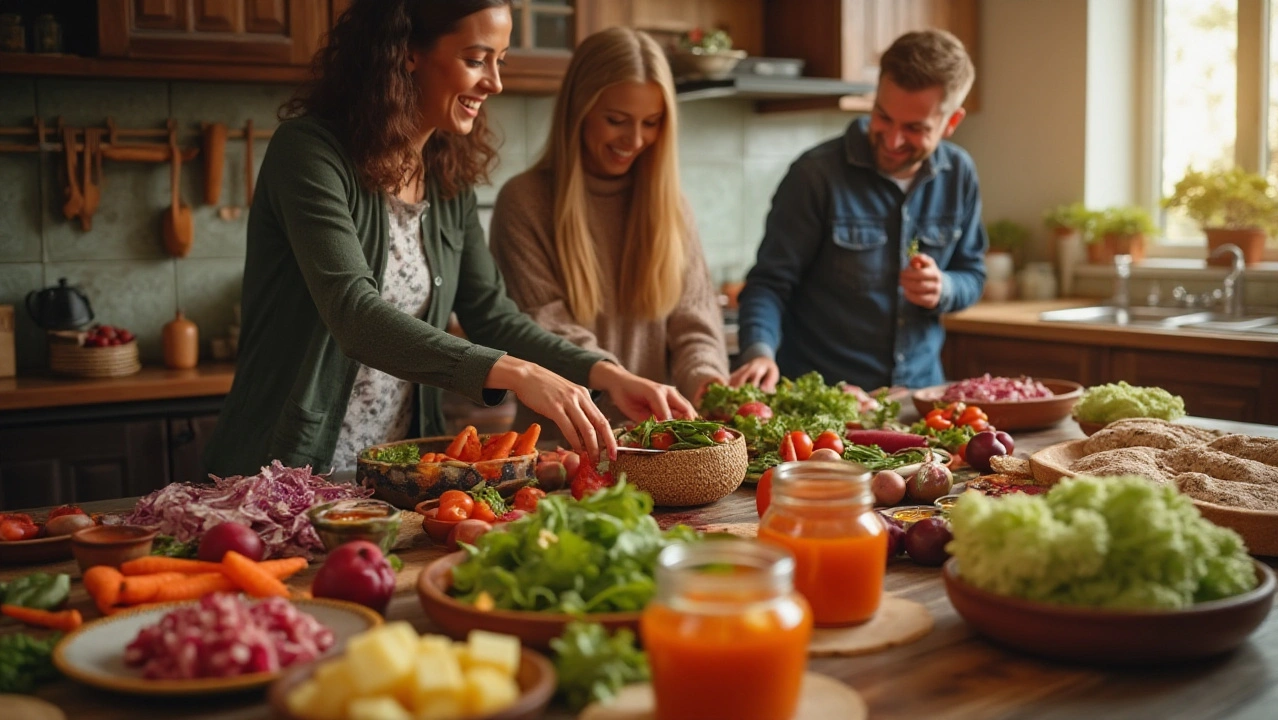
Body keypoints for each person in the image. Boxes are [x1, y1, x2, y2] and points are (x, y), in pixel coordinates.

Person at [204, 0, 692, 477]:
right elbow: (354, 315)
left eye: (500, 62)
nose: (495, 82)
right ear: (407, 51)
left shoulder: (445, 174)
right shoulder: (309, 154)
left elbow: (490, 313)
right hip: (282, 471)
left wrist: (606, 374)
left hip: (391, 475)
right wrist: (518, 373)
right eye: (476, 59)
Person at [488, 27, 728, 430]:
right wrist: (620, 379)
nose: (635, 140)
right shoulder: (524, 201)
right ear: (579, 110)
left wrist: (707, 382)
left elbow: (695, 322)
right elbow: (545, 326)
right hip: (559, 449)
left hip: (655, 446)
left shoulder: (671, 206)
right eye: (616, 120)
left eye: (651, 122)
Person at [730, 29, 986, 393]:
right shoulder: (815, 175)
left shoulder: (959, 173)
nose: (893, 140)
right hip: (824, 405)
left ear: (951, 122)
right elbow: (769, 284)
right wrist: (759, 351)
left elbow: (972, 274)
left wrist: (944, 287)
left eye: (914, 128)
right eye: (883, 116)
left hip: (920, 398)